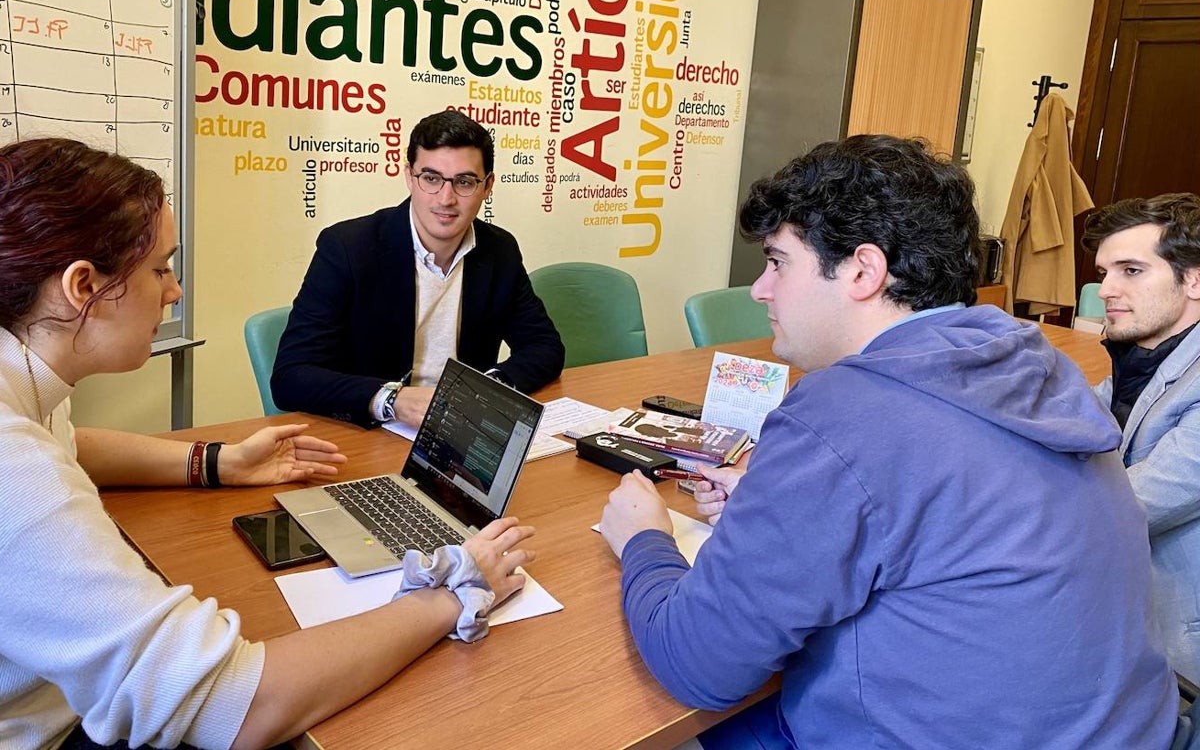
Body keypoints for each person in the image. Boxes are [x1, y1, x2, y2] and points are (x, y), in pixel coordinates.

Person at [598, 135, 1182, 749]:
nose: (759, 290)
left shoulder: (844, 413)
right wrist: (775, 499)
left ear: (863, 270)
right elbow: (932, 502)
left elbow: (696, 663)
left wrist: (645, 538)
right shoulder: (1031, 361)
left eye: (778, 262)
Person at [0, 138, 536, 750]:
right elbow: (229, 705)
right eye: (160, 269)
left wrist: (218, 462)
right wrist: (454, 594)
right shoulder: (14, 469)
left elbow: (68, 447)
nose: (174, 292)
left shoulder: (25, 373)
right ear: (80, 285)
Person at [272, 109, 564, 428]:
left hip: (457, 433)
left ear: (487, 185)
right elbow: (291, 377)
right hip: (369, 433)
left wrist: (488, 389)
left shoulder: (498, 249)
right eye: (431, 178)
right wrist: (391, 400)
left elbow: (545, 347)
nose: (446, 198)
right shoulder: (347, 247)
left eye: (464, 182)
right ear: (410, 177)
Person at [1081, 193, 1200, 684]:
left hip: (1181, 652)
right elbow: (1068, 426)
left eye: (1131, 270)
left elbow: (1132, 505)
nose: (1105, 288)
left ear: (1194, 280)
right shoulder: (1139, 358)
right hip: (1125, 612)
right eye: (1104, 271)